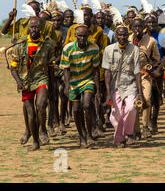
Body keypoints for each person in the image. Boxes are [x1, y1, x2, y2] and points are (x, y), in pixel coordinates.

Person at [10, 17, 56, 150]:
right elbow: (13, 68)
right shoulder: (21, 44)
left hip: (41, 78)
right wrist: (18, 82)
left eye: (36, 27)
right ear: (28, 28)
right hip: (25, 81)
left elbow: (51, 67)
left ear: (40, 28)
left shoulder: (48, 43)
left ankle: (43, 130)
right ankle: (35, 141)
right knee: (30, 113)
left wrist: (52, 87)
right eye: (32, 27)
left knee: (41, 105)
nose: (34, 30)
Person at [60, 24, 101, 148]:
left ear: (88, 36)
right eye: (80, 36)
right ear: (75, 36)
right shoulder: (68, 49)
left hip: (88, 80)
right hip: (73, 81)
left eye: (84, 36)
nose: (82, 39)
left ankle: (89, 134)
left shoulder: (94, 48)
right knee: (76, 109)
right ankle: (81, 135)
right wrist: (67, 87)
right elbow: (66, 70)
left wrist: (98, 90)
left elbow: (95, 70)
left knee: (87, 105)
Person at [102, 25, 143, 147]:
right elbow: (107, 72)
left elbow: (137, 72)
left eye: (125, 35)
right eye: (120, 35)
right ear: (116, 35)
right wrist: (108, 92)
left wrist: (140, 93)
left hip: (130, 84)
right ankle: (121, 137)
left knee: (131, 108)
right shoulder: (109, 50)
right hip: (115, 85)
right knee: (117, 114)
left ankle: (127, 133)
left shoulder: (134, 49)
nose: (122, 37)